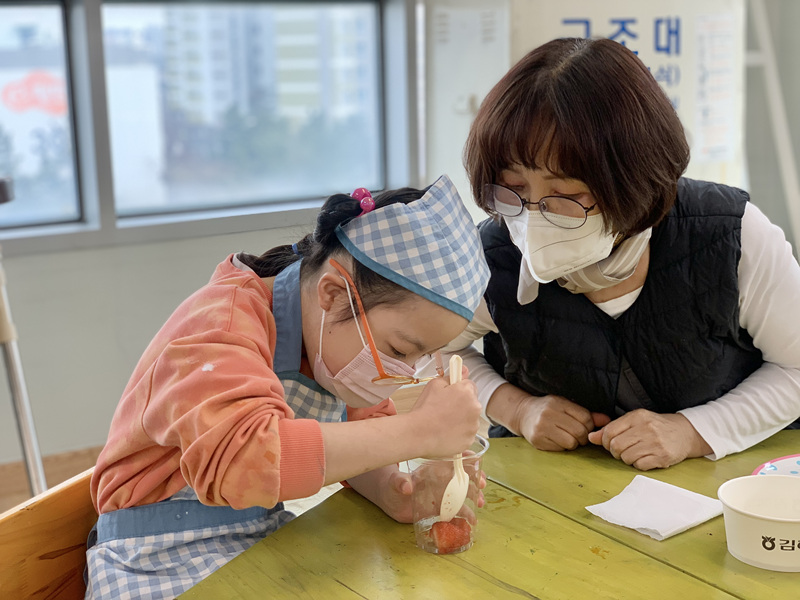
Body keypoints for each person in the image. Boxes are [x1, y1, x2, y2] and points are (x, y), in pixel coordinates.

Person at [84, 174, 490, 599]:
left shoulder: (328, 346)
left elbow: (362, 445)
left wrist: (394, 490)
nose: (406, 372)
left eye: (425, 356)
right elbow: (247, 461)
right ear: (334, 294)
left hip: (256, 540)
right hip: (152, 556)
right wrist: (419, 431)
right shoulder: (221, 324)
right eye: (400, 349)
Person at [446, 37, 800, 472]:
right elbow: (435, 352)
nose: (534, 216)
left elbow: (795, 369)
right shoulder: (491, 255)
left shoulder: (730, 234)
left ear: (633, 180)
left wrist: (693, 431)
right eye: (513, 189)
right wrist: (515, 408)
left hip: (730, 484)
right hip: (554, 491)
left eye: (567, 194)